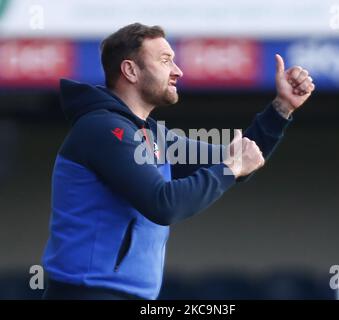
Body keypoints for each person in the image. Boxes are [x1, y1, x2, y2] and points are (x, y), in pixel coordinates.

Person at [42, 23, 315, 300]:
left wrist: (282, 108)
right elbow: (164, 204)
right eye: (165, 60)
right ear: (130, 71)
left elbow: (241, 159)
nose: (177, 70)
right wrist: (231, 167)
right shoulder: (102, 129)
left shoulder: (153, 135)